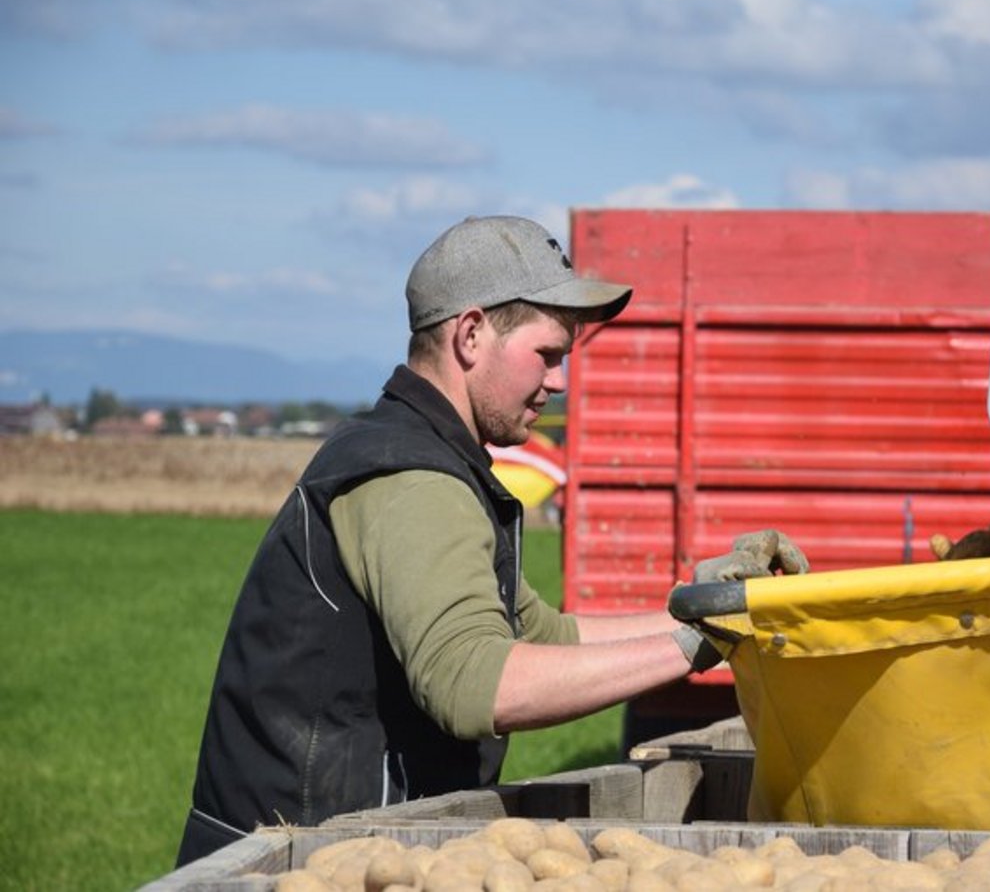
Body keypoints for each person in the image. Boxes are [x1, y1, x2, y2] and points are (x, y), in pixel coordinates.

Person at [175, 215, 807, 866]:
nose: (561, 382)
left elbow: (538, 637)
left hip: (340, 856)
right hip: (294, 869)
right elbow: (479, 682)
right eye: (547, 354)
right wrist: (698, 644)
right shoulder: (410, 476)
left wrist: (707, 607)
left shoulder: (430, 460)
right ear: (471, 333)